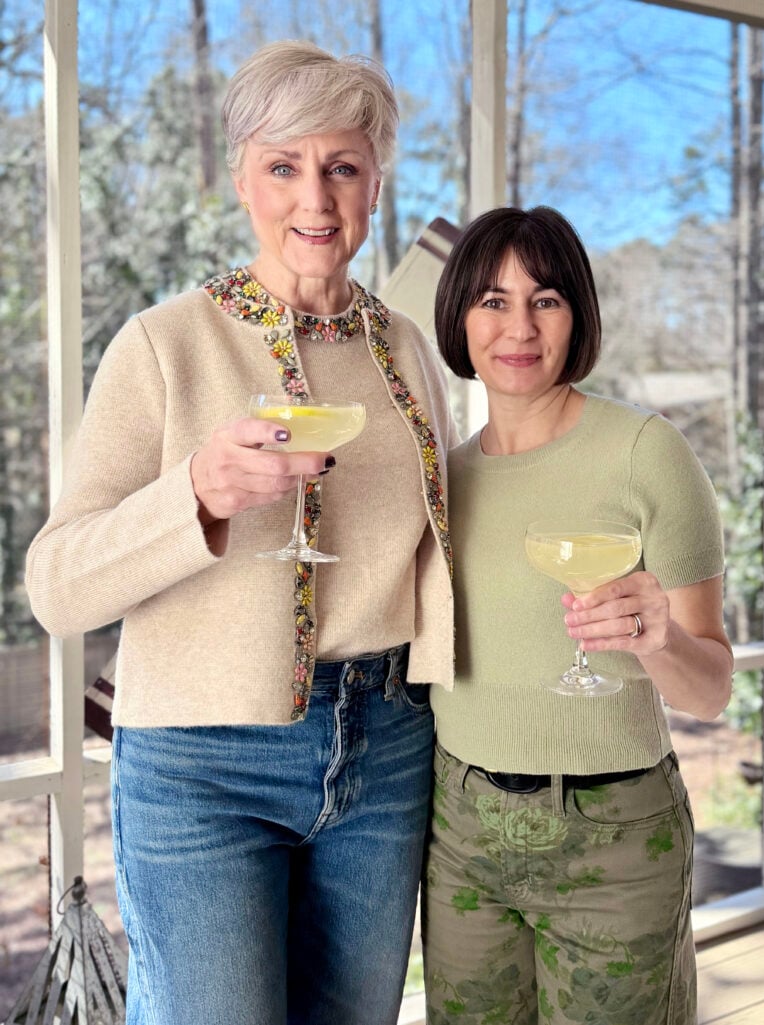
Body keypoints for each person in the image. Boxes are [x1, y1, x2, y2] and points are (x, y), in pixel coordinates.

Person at [25, 40, 456, 1025]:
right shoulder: (165, 345)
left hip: (387, 745)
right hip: (201, 765)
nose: (317, 196)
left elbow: (439, 549)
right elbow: (56, 584)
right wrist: (198, 493)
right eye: (284, 165)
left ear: (376, 182)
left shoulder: (407, 354)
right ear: (241, 181)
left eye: (343, 165)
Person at [422, 205, 733, 1025]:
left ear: (577, 314)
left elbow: (709, 691)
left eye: (545, 298)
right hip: (461, 836)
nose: (517, 325)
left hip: (616, 841)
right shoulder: (441, 480)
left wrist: (658, 636)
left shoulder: (646, 451)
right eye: (491, 300)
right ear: (459, 317)